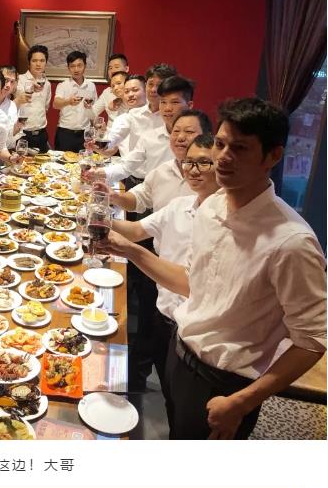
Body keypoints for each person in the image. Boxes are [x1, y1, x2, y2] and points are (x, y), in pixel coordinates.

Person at [100, 97, 327, 439]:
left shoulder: (292, 241)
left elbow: (312, 340)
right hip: (181, 350)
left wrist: (243, 401)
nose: (223, 156)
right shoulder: (210, 208)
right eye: (220, 144)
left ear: (273, 156)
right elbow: (191, 283)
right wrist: (129, 250)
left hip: (226, 381)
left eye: (240, 148)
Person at [108, 134, 219, 398]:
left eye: (204, 163)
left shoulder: (226, 221)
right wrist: (96, 218)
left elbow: (191, 283)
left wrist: (131, 250)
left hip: (197, 333)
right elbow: (136, 230)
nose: (193, 169)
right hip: (165, 310)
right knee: (168, 390)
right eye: (188, 162)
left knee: (186, 402)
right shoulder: (179, 206)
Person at [110, 109, 212, 214]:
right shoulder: (162, 171)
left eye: (189, 131)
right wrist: (113, 197)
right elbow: (140, 197)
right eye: (176, 131)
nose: (180, 137)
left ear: (207, 136)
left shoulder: (213, 176)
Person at [105, 74, 194, 185]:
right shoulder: (149, 134)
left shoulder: (197, 136)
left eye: (174, 102)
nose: (168, 108)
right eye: (163, 102)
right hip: (139, 181)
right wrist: (102, 173)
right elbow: (129, 163)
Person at [103, 63, 177, 157]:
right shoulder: (126, 117)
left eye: (135, 90)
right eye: (126, 91)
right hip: (131, 165)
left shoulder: (173, 116)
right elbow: (111, 146)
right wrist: (100, 140)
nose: (153, 89)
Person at [53, 50, 97, 152]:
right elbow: (55, 104)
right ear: (68, 68)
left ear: (85, 66)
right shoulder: (63, 85)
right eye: (72, 66)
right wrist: (68, 101)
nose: (76, 69)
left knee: (85, 160)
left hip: (85, 133)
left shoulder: (91, 86)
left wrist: (94, 130)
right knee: (62, 161)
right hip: (65, 133)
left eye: (79, 65)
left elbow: (94, 112)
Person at [15, 44, 52, 153]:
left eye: (42, 61)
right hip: (22, 134)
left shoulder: (47, 84)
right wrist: (32, 86)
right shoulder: (19, 79)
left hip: (41, 134)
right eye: (34, 61)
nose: (38, 64)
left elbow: (45, 107)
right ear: (29, 62)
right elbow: (19, 95)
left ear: (46, 63)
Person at [94, 52, 130, 119]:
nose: (113, 70)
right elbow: (93, 112)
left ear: (126, 69)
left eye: (116, 67)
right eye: (110, 68)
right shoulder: (107, 92)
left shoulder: (136, 89)